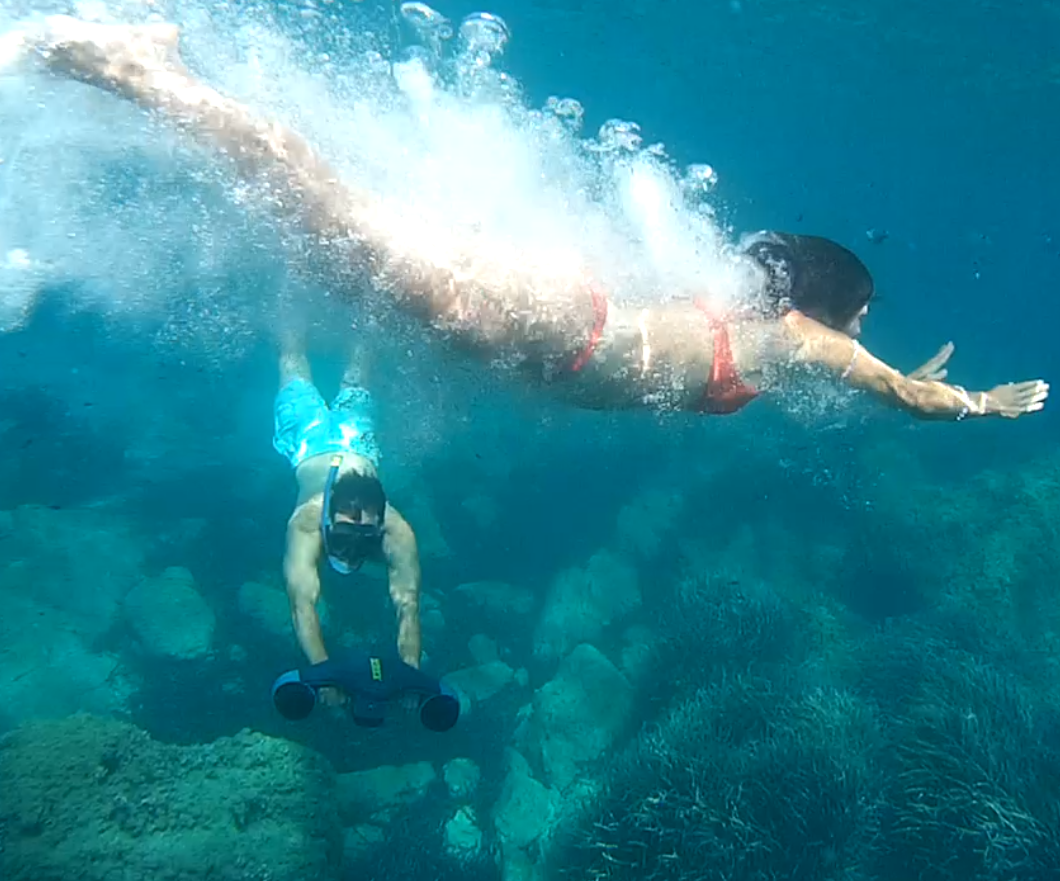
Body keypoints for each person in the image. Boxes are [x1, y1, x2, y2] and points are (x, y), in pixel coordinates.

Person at [5, 16, 1048, 424]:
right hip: (519, 315)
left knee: (315, 221)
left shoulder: (759, 330)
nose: (855, 332)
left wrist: (899, 369)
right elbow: (886, 388)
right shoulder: (792, 338)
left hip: (525, 313)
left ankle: (149, 81)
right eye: (856, 313)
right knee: (318, 211)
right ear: (824, 304)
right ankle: (135, 68)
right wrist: (958, 401)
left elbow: (842, 369)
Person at [272, 333, 422, 679]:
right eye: (344, 534)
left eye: (362, 534)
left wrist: (323, 672)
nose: (353, 547)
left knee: (329, 367)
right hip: (322, 440)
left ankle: (364, 314)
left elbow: (408, 604)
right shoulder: (309, 520)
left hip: (323, 438)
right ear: (326, 517)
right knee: (322, 365)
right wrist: (322, 672)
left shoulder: (393, 529)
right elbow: (302, 604)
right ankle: (315, 317)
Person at [271, 648, 461, 731]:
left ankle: (412, 663)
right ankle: (412, 663)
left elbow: (285, 683)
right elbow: (449, 694)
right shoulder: (407, 681)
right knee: (410, 665)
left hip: (395, 676)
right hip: (398, 676)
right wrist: (417, 691)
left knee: (410, 666)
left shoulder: (405, 681)